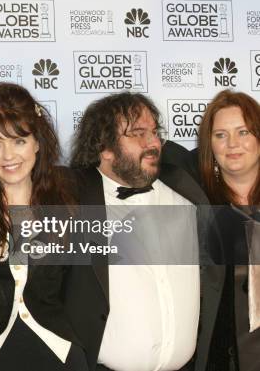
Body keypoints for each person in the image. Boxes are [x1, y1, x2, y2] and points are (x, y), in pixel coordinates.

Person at [68, 91, 222, 371]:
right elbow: (10, 175)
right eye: (138, 133)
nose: (153, 143)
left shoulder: (184, 185)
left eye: (154, 132)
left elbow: (236, 155)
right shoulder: (71, 197)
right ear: (104, 147)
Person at [0, 83, 89, 371]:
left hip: (58, 353)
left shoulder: (69, 197)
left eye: (19, 141)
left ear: (38, 142)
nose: (8, 156)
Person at [196, 90, 260, 371]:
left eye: (243, 132)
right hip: (225, 357)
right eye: (221, 135)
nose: (232, 144)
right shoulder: (197, 207)